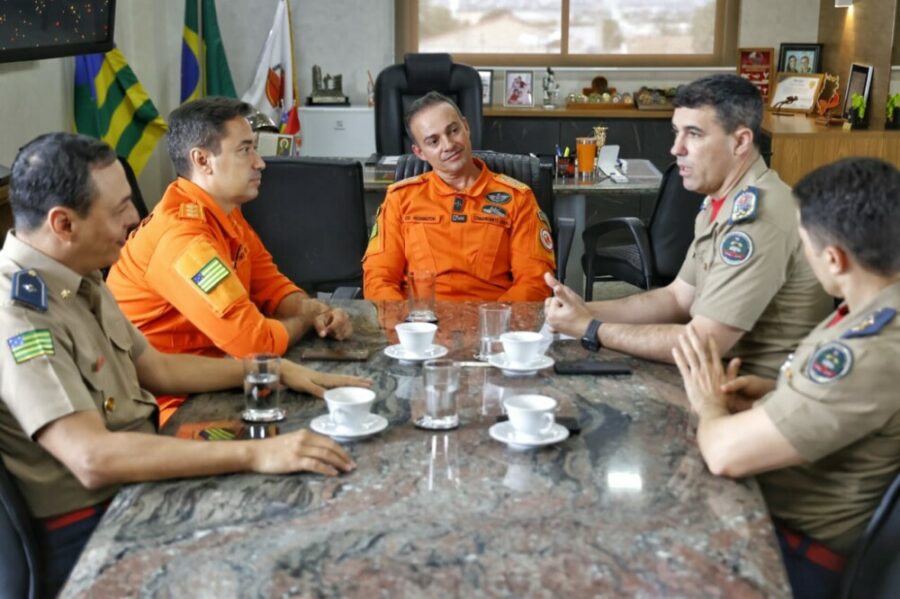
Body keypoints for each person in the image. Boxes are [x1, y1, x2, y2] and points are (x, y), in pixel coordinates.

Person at [0, 133, 368, 596]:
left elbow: (156, 369)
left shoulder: (80, 275)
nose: (135, 218)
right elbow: (93, 457)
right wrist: (255, 454)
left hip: (136, 479)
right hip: (89, 527)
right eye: (118, 210)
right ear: (64, 223)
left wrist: (268, 370)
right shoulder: (18, 315)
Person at [672, 157, 900, 599]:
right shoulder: (873, 308)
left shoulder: (866, 348)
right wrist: (779, 393)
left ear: (834, 259)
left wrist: (709, 402)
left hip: (797, 552)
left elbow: (724, 454)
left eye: (806, 247)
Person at [544, 74, 832, 377]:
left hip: (756, 393)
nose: (676, 148)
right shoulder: (721, 200)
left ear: (740, 142)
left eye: (693, 134)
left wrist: (591, 328)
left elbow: (703, 342)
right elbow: (678, 298)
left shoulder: (757, 219)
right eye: (676, 132)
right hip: (716, 375)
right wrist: (586, 309)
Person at [107, 97, 352, 425]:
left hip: (223, 377)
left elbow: (272, 286)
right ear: (202, 160)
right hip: (169, 407)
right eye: (245, 150)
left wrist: (313, 311)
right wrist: (307, 319)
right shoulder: (183, 239)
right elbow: (256, 344)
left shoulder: (223, 212)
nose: (260, 162)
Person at [362, 91, 555, 302]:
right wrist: (407, 327)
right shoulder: (400, 199)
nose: (448, 145)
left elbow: (534, 281)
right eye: (433, 141)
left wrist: (495, 324)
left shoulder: (518, 198)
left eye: (453, 131)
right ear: (420, 153)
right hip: (420, 324)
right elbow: (379, 280)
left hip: (493, 325)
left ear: (466, 127)